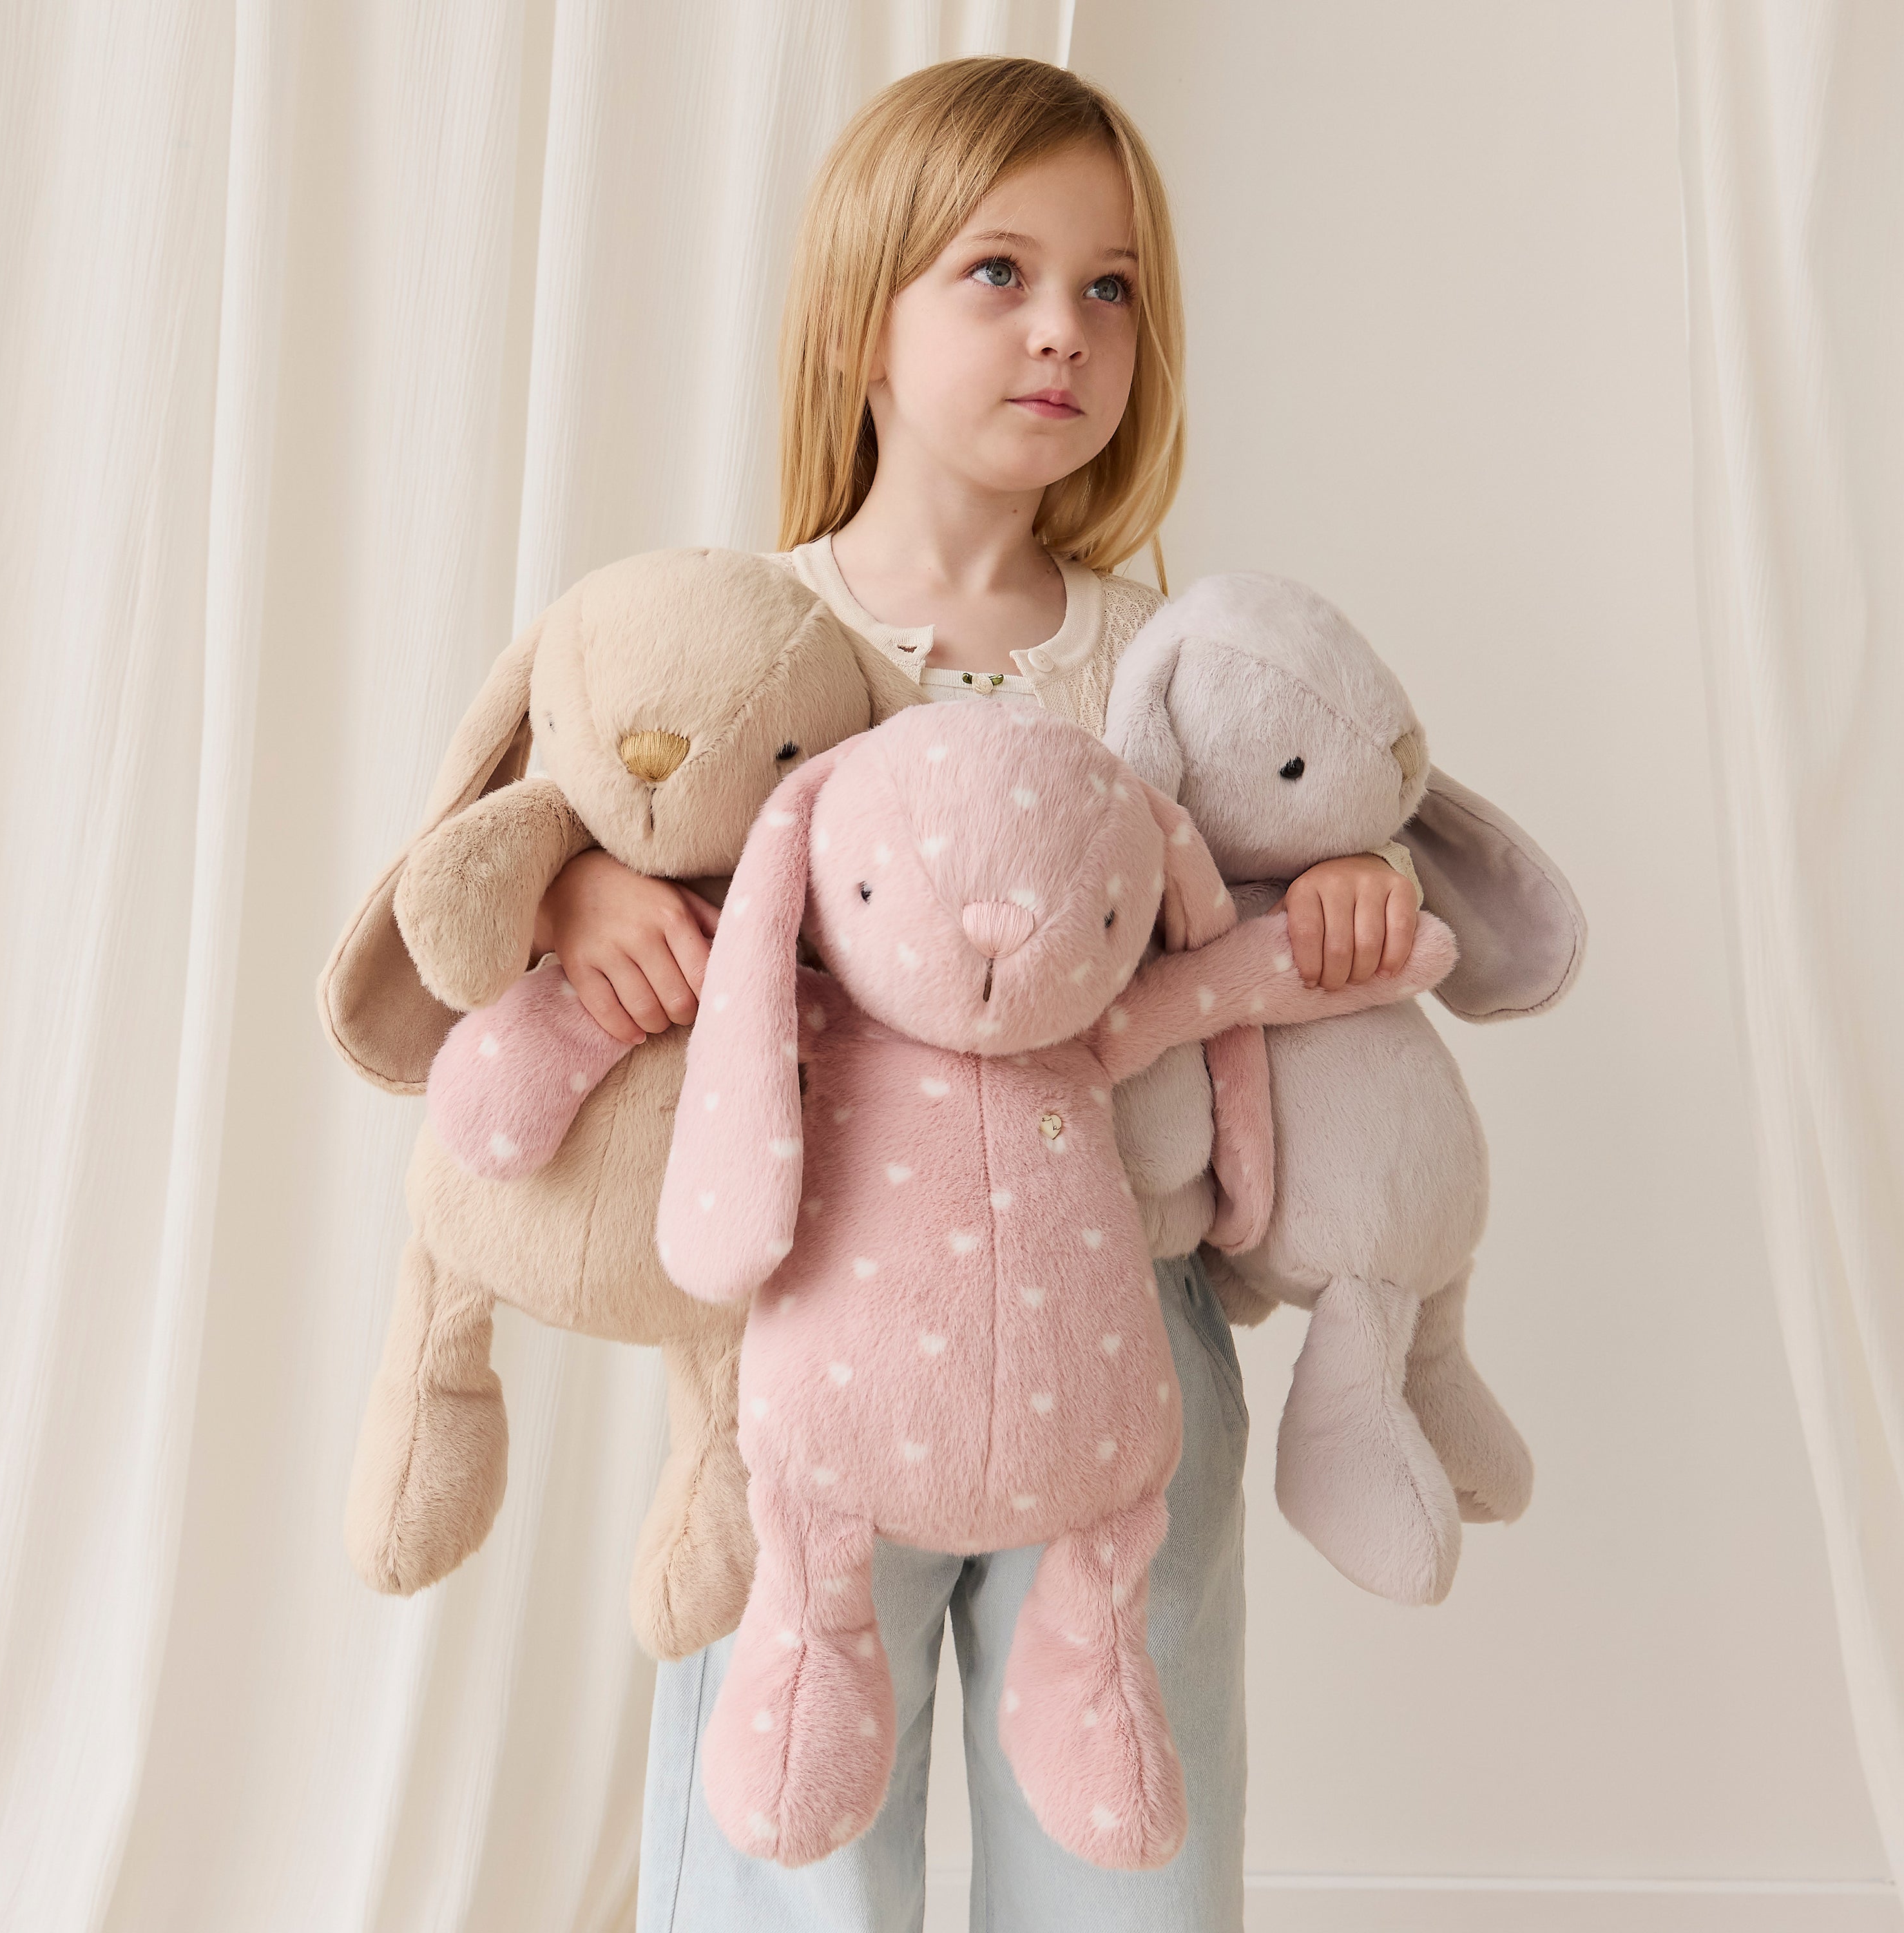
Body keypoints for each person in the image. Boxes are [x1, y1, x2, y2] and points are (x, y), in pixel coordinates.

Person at [534, 57, 1421, 1932]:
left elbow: (1279, 855)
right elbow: (557, 816)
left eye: (1111, 289)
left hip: (1122, 1323)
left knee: (1130, 1789)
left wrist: (1345, 891)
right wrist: (592, 882)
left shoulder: (1160, 661)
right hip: (817, 1326)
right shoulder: (758, 630)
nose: (1065, 332)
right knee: (793, 1814)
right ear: (867, 317)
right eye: (998, 274)